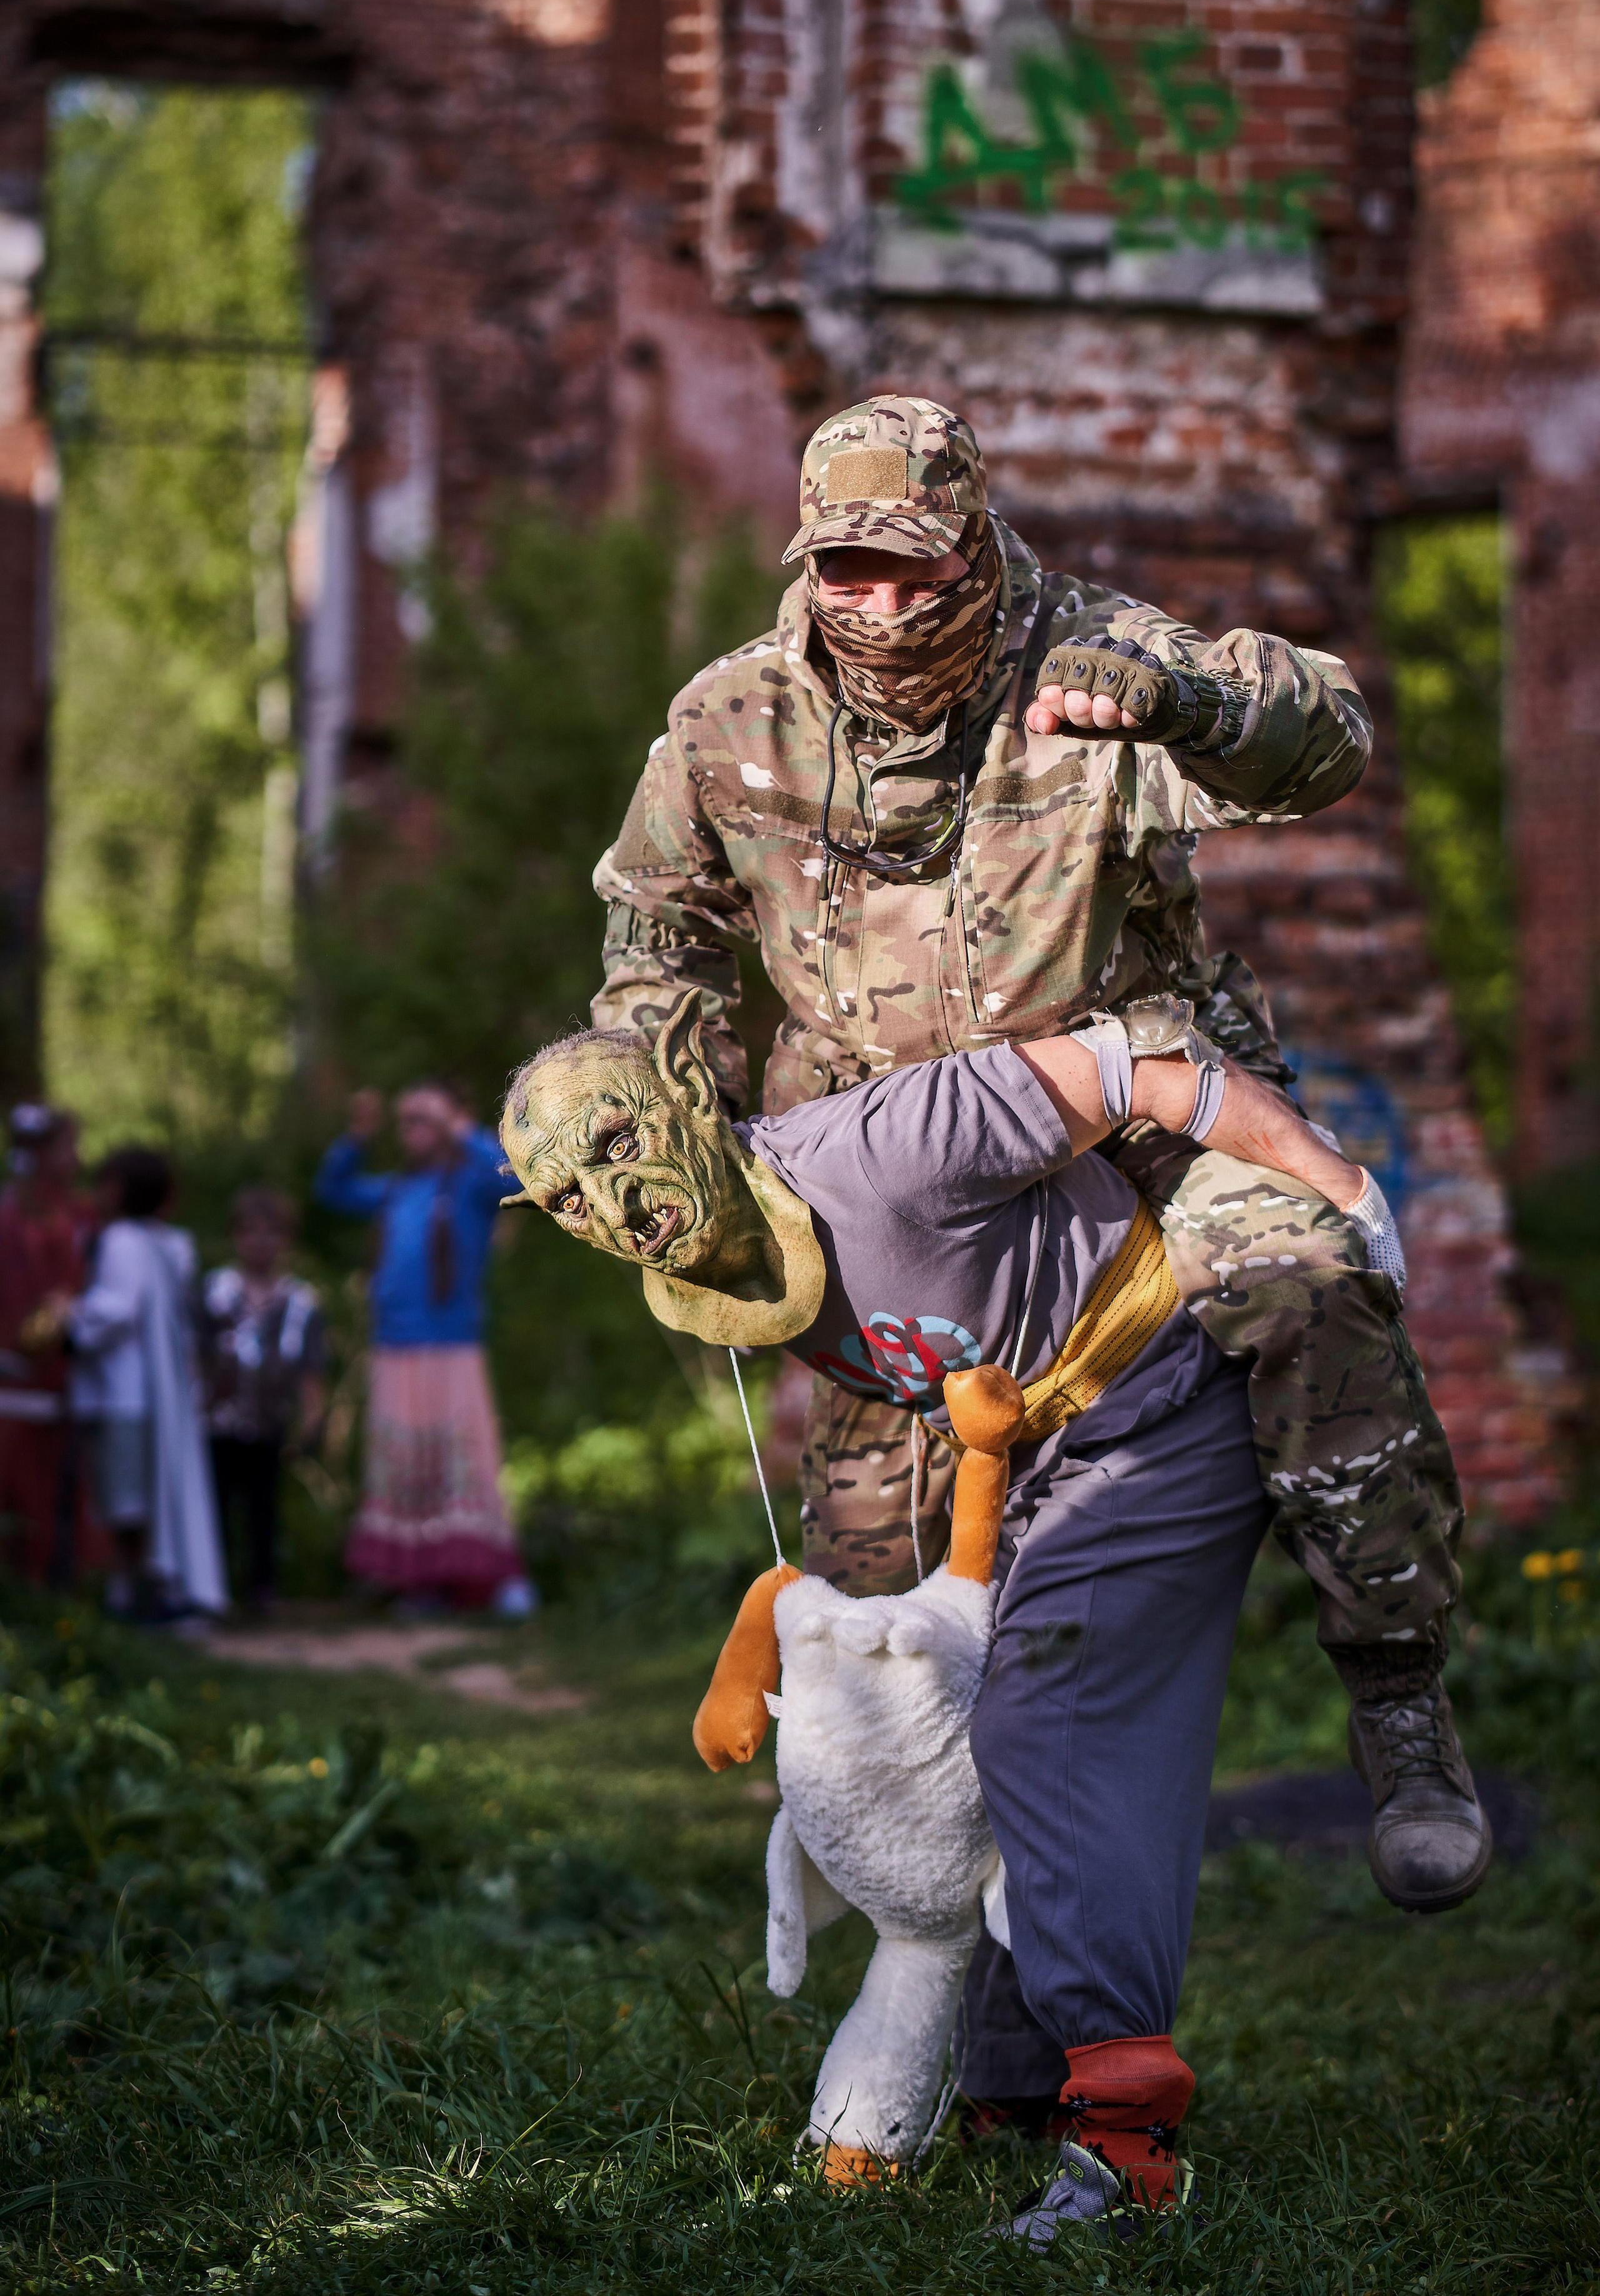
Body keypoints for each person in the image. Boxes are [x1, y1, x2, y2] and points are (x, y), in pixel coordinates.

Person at [589, 391, 1476, 1915]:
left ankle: (1396, 1689)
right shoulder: (726, 720)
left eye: (908, 570)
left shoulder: (1087, 650)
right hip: (889, 1160)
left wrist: (1172, 699)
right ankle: (933, 1962)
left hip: (1139, 1108)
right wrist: (671, 1134)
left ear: (977, 548)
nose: (872, 605)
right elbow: (656, 939)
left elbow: (1324, 732)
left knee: (1307, 1277)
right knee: (875, 1584)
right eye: (841, 569)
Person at [498, 992, 1492, 2232]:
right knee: (985, 1736)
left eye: (614, 1143)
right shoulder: (729, 1260)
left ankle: (1121, 2142)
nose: (609, 1196)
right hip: (1053, 1442)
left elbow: (1135, 1072)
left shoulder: (876, 1148)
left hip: (1170, 1382)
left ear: (692, 1105)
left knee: (1046, 1723)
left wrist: (1338, 1186)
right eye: (565, 1197)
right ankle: (1016, 2086)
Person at [315, 1083, 532, 1616]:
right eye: (406, 1121)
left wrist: (459, 1124)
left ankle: (492, 1578)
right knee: (406, 1463)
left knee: (462, 1460)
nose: (413, 1130)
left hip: (452, 1344)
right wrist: (357, 1137)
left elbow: (515, 1172)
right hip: (394, 1347)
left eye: (423, 1120)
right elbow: (332, 1190)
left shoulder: (469, 1187)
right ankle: (418, 1582)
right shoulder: (394, 1189)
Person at [64, 1146, 227, 1623]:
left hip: (126, 1394)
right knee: (149, 1495)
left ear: (117, 1189)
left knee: (127, 1501)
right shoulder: (172, 1244)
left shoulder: (121, 1241)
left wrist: (68, 1320)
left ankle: (127, 1591)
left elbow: (116, 1310)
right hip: (163, 1398)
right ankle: (153, 1584)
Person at [201, 1188, 328, 1613]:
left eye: (271, 1232)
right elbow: (195, 1356)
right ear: (235, 1236)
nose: (260, 1241)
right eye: (250, 1231)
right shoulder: (216, 1291)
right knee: (214, 1507)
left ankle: (261, 1589)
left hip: (269, 1423)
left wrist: (312, 1420)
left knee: (264, 1510)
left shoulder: (301, 1301)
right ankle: (213, 1586)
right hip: (215, 1422)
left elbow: (311, 1369)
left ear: (286, 1239)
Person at [0, 1105, 100, 1587]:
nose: (76, 1158)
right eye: (68, 1147)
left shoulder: (83, 1216)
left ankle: (66, 1596)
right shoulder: (9, 1218)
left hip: (69, 1380)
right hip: (14, 1385)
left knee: (65, 1498)